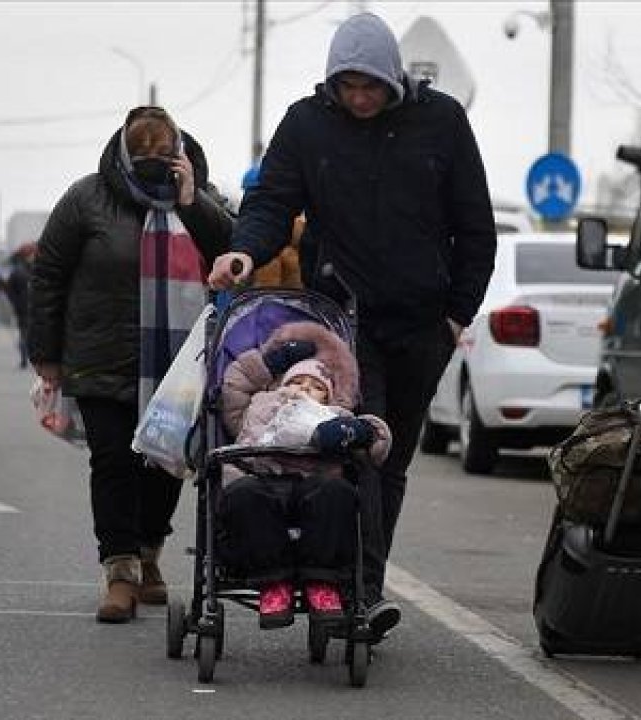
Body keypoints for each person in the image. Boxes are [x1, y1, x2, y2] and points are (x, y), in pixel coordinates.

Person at [207, 12, 497, 637]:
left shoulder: (441, 121)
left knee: (390, 464)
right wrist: (244, 253)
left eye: (371, 87)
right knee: (357, 449)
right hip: (344, 321)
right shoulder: (306, 125)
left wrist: (457, 313)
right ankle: (356, 596)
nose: (360, 99)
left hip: (423, 324)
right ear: (332, 83)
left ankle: (360, 583)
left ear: (393, 79)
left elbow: (475, 222)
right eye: (349, 87)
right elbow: (270, 202)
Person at [28, 106, 233, 623]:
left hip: (179, 363)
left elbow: (234, 254)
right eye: (141, 155)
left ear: (180, 154)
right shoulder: (86, 199)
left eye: (162, 155)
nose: (150, 164)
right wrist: (47, 356)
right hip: (101, 355)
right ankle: (119, 571)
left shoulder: (199, 199)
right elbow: (49, 275)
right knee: (115, 461)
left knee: (166, 460)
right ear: (123, 151)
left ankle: (148, 555)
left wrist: (192, 202)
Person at [218, 321, 391, 629]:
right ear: (280, 384)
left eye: (315, 388)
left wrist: (359, 432)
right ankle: (274, 584)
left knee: (336, 493)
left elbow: (378, 441)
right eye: (296, 382)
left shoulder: (334, 416)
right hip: (263, 476)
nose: (303, 390)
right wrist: (268, 363)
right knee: (242, 494)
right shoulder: (260, 403)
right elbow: (232, 386)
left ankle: (323, 582)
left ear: (329, 396)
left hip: (314, 481)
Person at [3, 243, 36, 368]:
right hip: (32, 307)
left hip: (22, 307)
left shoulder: (17, 270)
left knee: (24, 333)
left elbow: (9, 290)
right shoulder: (35, 269)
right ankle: (29, 357)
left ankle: (24, 358)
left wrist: (15, 302)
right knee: (30, 333)